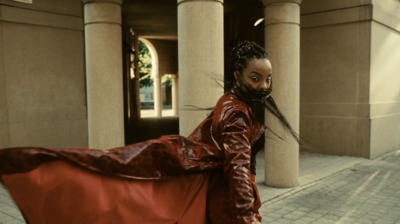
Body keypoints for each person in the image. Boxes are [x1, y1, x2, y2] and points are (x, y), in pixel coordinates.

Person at [0, 40, 296, 224]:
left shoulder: (234, 102)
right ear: (237, 76)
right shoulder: (236, 112)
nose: (263, 86)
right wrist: (246, 215)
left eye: (268, 79)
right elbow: (237, 166)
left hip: (215, 193)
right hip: (225, 199)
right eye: (255, 78)